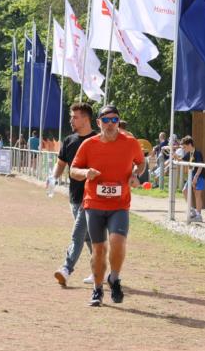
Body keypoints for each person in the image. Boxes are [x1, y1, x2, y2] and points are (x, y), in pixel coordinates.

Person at [70, 104, 145, 307]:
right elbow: (73, 170)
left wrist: (135, 174)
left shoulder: (130, 143)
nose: (111, 124)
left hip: (120, 204)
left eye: (114, 120)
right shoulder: (88, 145)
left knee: (118, 241)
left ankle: (115, 278)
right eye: (106, 120)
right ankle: (97, 289)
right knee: (99, 249)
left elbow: (141, 161)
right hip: (94, 203)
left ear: (118, 122)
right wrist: (86, 173)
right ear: (99, 123)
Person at [52, 102, 98, 288]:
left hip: (93, 197)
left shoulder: (98, 140)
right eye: (71, 116)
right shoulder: (69, 140)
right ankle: (99, 270)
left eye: (75, 117)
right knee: (88, 237)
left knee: (77, 234)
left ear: (86, 119)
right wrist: (52, 178)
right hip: (75, 196)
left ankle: (66, 269)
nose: (71, 120)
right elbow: (61, 164)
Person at [180, 136, 205, 222]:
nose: (183, 149)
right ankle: (192, 210)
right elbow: (181, 160)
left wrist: (196, 177)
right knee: (185, 190)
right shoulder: (189, 153)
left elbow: (200, 166)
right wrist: (173, 155)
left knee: (197, 194)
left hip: (199, 176)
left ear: (190, 145)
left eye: (184, 147)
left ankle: (198, 215)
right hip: (192, 175)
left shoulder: (197, 153)